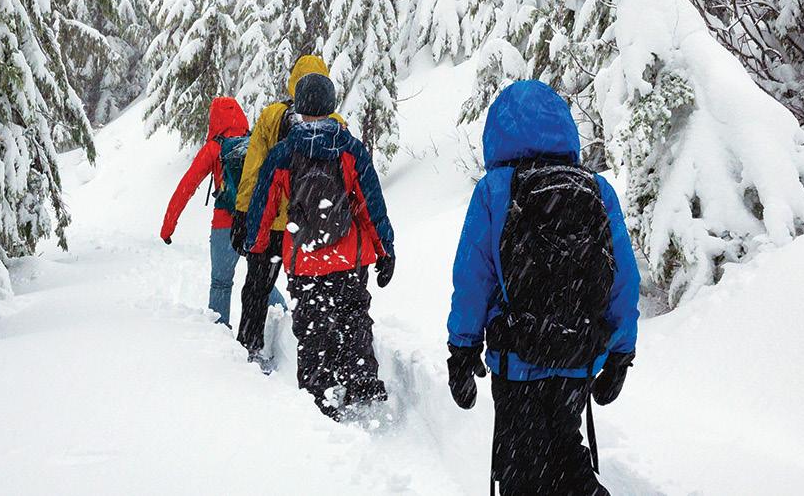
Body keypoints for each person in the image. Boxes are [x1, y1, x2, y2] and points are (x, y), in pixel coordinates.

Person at [444, 80, 640, 495]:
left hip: (516, 357)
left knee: (522, 467)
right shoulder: (596, 189)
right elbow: (623, 278)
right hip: (577, 355)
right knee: (566, 452)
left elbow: (472, 279)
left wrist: (462, 350)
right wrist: (620, 354)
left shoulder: (494, 190)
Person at [243, 73, 396, 421]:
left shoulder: (284, 153)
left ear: (298, 107)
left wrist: (257, 243)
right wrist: (385, 249)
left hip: (305, 260)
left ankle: (319, 395)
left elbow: (263, 205)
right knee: (354, 318)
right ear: (331, 104)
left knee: (312, 329)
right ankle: (361, 383)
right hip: (348, 258)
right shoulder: (350, 149)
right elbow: (371, 204)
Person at [229, 55, 347, 366]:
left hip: (271, 223)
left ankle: (250, 345)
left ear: (293, 81)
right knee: (314, 293)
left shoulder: (271, 116)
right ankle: (319, 359)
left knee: (257, 287)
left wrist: (243, 214)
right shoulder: (336, 124)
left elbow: (253, 169)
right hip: (312, 227)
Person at [160, 97, 286, 328]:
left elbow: (186, 187)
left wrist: (167, 228)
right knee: (260, 278)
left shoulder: (214, 148)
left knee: (221, 282)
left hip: (224, 226)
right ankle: (284, 318)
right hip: (255, 222)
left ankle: (219, 336)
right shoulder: (254, 142)